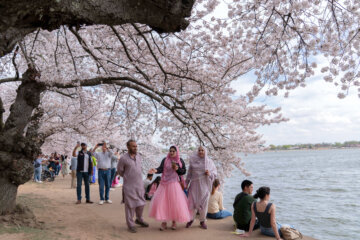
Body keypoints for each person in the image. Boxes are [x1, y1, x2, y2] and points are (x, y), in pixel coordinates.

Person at [148, 146, 190, 231]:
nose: (171, 152)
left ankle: (174, 222)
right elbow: (161, 169)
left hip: (174, 184)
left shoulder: (180, 160)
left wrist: (177, 169)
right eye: (170, 151)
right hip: (164, 184)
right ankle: (164, 222)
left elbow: (183, 171)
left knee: (175, 203)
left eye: (173, 151)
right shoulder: (165, 160)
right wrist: (155, 170)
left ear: (176, 152)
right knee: (163, 203)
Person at [117, 140, 149, 233]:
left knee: (141, 204)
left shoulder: (139, 156)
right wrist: (128, 177)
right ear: (128, 147)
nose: (135, 148)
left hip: (139, 185)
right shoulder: (123, 158)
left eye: (136, 146)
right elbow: (120, 171)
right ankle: (130, 224)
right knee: (130, 206)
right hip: (129, 186)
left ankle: (139, 219)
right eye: (133, 146)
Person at [186, 146, 217, 229]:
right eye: (199, 150)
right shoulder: (193, 161)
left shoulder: (209, 162)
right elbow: (189, 174)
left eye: (202, 150)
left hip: (204, 186)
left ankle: (202, 221)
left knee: (204, 203)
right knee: (192, 202)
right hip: (194, 185)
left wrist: (209, 173)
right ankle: (190, 219)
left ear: (205, 151)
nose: (200, 152)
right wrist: (186, 183)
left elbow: (214, 173)